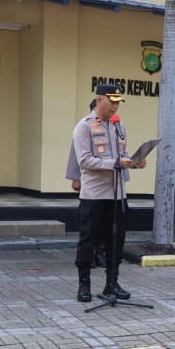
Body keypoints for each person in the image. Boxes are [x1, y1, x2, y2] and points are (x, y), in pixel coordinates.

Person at [73, 84, 147, 302]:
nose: (115, 106)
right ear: (99, 100)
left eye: (118, 102)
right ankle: (84, 285)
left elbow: (122, 156)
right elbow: (84, 161)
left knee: (116, 241)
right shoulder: (84, 127)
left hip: (118, 194)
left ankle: (111, 284)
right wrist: (115, 161)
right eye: (112, 101)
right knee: (88, 240)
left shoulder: (119, 126)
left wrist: (133, 163)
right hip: (94, 195)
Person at [66, 99, 106, 268]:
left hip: (106, 185)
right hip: (89, 185)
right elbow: (75, 154)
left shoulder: (110, 128)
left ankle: (101, 253)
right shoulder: (84, 127)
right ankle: (88, 256)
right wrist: (75, 177)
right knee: (89, 223)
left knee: (104, 222)